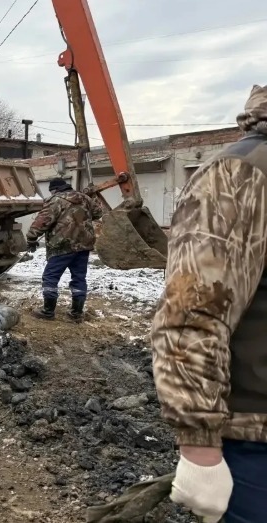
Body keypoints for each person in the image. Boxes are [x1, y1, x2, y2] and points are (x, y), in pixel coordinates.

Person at [151, 85, 267, 523]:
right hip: (256, 441)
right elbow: (191, 311)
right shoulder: (242, 173)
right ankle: (56, 310)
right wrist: (199, 446)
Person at [25, 177, 102, 322]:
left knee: (50, 277)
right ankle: (77, 313)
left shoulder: (55, 200)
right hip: (83, 245)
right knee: (79, 278)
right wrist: (92, 197)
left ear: (55, 189)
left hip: (62, 245)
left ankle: (48, 311)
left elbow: (43, 220)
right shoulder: (85, 198)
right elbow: (98, 213)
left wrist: (31, 238)